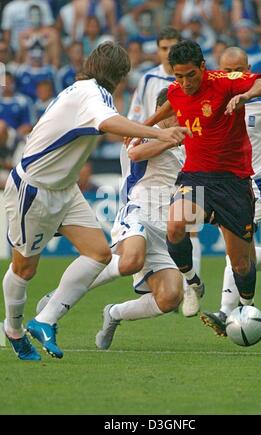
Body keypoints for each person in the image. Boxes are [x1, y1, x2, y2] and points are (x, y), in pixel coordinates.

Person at [2, 41, 189, 361]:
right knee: (24, 267)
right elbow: (107, 124)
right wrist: (158, 133)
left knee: (100, 253)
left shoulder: (89, 92)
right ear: (118, 75)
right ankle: (14, 330)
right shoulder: (90, 94)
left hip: (64, 189)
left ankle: (44, 320)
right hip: (34, 188)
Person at [36, 88, 203, 350]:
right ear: (162, 111)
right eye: (175, 112)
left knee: (170, 297)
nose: (181, 117)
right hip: (139, 210)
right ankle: (58, 297)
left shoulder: (189, 140)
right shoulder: (143, 132)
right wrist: (173, 139)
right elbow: (135, 154)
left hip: (168, 226)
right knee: (130, 261)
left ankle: (114, 313)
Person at [143, 40, 261, 321]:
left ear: (203, 67)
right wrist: (147, 124)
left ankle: (246, 306)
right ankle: (193, 282)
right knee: (176, 225)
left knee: (240, 263)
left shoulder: (224, 82)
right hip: (196, 176)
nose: (185, 82)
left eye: (190, 75)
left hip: (234, 181)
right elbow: (172, 102)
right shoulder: (176, 90)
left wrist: (246, 96)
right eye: (178, 76)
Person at [200, 47, 261, 336]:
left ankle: (227, 311)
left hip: (255, 185)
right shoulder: (210, 103)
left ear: (249, 70)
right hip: (223, 186)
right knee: (245, 253)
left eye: (239, 70)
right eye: (227, 70)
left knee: (237, 251)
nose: (233, 76)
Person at [127, 26, 203, 316]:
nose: (167, 54)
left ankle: (191, 286)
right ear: (158, 50)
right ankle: (179, 282)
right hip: (156, 150)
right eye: (163, 48)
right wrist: (148, 132)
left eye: (172, 47)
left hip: (191, 150)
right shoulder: (149, 79)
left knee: (190, 231)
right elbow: (137, 117)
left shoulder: (193, 79)